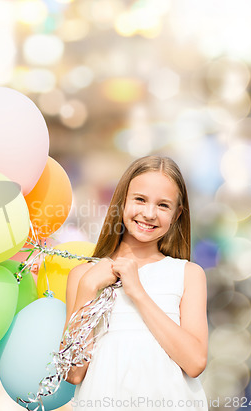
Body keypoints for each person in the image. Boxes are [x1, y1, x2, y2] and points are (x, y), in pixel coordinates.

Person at [63, 155, 208, 410]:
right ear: (121, 202)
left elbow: (195, 362)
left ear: (177, 215)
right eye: (140, 199)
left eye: (163, 205)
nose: (149, 213)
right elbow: (74, 373)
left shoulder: (188, 274)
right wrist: (87, 289)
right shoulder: (84, 276)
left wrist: (138, 292)